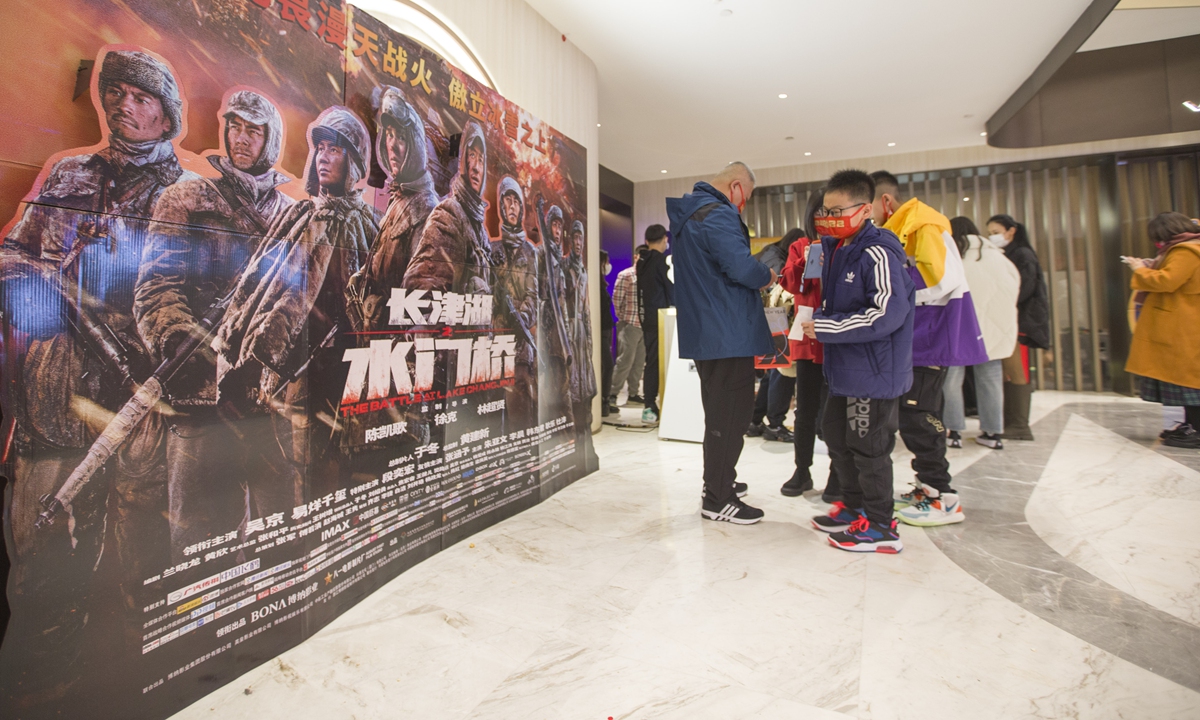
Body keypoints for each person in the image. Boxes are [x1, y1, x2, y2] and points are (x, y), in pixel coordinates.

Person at [0, 48, 194, 695]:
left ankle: (125, 692)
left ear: (166, 113)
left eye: (142, 97)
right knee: (42, 565)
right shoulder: (68, 174)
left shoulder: (188, 194)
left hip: (143, 409)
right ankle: (40, 695)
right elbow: (12, 256)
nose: (124, 104)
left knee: (140, 569)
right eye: (116, 92)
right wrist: (39, 286)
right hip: (56, 402)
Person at [136, 88, 297, 562]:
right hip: (200, 394)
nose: (241, 138)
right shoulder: (185, 198)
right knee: (202, 544)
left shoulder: (292, 217)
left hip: (268, 402)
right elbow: (156, 286)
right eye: (235, 126)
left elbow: (303, 302)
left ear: (271, 139)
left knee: (279, 538)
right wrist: (176, 337)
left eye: (253, 129)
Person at [214, 106, 378, 500]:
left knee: (331, 476)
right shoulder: (297, 216)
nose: (324, 157)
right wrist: (240, 353)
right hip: (284, 372)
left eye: (335, 149)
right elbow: (255, 286)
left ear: (353, 159)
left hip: (342, 373)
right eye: (320, 148)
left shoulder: (371, 225)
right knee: (280, 482)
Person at [804, 170, 914, 552]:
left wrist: (827, 327)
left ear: (865, 209)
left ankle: (882, 526)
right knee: (835, 433)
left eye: (838, 209)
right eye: (826, 210)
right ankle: (854, 506)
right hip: (845, 369)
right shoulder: (837, 247)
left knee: (869, 447)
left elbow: (887, 312)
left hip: (874, 369)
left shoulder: (878, 250)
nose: (830, 216)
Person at [872, 171, 986, 527]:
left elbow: (939, 280)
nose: (867, 216)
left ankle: (942, 496)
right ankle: (927, 487)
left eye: (868, 206)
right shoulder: (906, 227)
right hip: (919, 339)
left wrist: (887, 290)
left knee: (920, 418)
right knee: (913, 416)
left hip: (931, 338)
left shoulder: (922, 225)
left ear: (885, 202)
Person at [668, 162, 774, 524]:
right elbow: (741, 268)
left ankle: (716, 481)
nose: (742, 206)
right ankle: (719, 498)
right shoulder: (718, 214)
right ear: (737, 187)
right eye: (746, 198)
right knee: (731, 415)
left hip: (707, 331)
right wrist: (767, 274)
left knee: (719, 411)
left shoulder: (689, 215)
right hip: (727, 330)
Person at [351, 85, 438, 329]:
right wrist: (361, 278)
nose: (392, 145)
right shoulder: (398, 198)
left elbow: (422, 299)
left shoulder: (426, 209)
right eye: (388, 135)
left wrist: (381, 308)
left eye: (400, 137)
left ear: (416, 145)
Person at [780, 192, 841, 501]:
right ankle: (801, 470)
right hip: (806, 336)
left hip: (838, 337)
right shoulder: (800, 246)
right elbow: (790, 285)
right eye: (821, 212)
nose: (826, 217)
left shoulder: (846, 245)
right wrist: (806, 261)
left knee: (834, 412)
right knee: (805, 410)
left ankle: (837, 474)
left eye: (832, 211)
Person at [1124, 212, 1200, 448]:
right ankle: (1190, 425)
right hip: (1181, 322)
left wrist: (1139, 269)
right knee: (1185, 380)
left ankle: (1196, 430)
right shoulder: (1185, 249)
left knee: (1189, 381)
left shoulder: (1185, 251)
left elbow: (1167, 281)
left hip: (1181, 324)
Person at [943, 217, 1020, 450]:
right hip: (993, 330)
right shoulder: (998, 256)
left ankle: (953, 430)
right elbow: (1014, 286)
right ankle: (992, 433)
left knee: (951, 380)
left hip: (959, 327)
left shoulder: (953, 257)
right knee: (991, 380)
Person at [404, 121, 491, 295]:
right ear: (462, 161)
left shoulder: (479, 229)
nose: (475, 166)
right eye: (471, 155)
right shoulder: (448, 213)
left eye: (481, 160)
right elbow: (421, 287)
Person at [986, 214, 1051, 441]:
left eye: (995, 232)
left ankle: (1020, 425)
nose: (992, 237)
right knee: (1010, 372)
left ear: (1011, 231)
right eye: (990, 234)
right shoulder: (1010, 253)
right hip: (1012, 320)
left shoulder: (1022, 254)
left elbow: (1022, 289)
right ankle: (1011, 421)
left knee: (1017, 372)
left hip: (1021, 322)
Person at [490, 176, 540, 432]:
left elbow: (534, 294)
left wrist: (520, 317)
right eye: (507, 201)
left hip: (520, 343)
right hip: (494, 340)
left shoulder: (530, 252)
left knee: (521, 404)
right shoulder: (491, 248)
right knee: (493, 406)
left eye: (516, 202)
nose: (511, 206)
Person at [637, 224, 674, 424]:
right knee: (656, 362)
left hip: (647, 318)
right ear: (663, 240)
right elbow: (670, 289)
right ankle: (651, 404)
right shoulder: (660, 261)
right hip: (661, 318)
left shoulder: (641, 261)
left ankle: (650, 404)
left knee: (651, 361)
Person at [564, 219, 597, 437]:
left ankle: (585, 426)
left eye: (581, 238)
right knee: (571, 383)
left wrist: (590, 338)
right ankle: (574, 429)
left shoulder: (583, 270)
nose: (578, 242)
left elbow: (585, 307)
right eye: (575, 237)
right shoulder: (565, 267)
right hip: (569, 332)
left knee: (586, 384)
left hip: (582, 334)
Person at [609, 244, 648, 407]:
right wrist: (623, 318)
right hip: (629, 324)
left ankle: (633, 392)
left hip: (644, 325)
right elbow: (616, 299)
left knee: (639, 362)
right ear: (635, 256)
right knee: (625, 361)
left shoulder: (647, 275)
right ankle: (612, 393)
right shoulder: (626, 275)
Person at [599, 249, 616, 417]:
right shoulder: (595, 284)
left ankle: (605, 400)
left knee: (606, 365)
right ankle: (604, 400)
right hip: (601, 329)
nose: (608, 266)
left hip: (606, 328)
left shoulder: (602, 284)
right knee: (607, 365)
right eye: (606, 262)